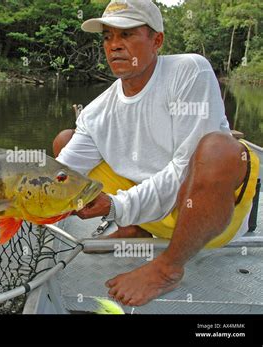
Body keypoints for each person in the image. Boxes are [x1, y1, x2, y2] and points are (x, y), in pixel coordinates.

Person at [53, 0, 259, 306]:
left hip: (207, 218)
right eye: (108, 37)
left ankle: (168, 268)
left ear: (157, 40)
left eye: (127, 35)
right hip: (152, 213)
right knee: (64, 145)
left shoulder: (190, 71)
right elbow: (53, 180)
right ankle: (133, 230)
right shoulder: (97, 112)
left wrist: (115, 206)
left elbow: (184, 169)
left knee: (219, 149)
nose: (115, 46)